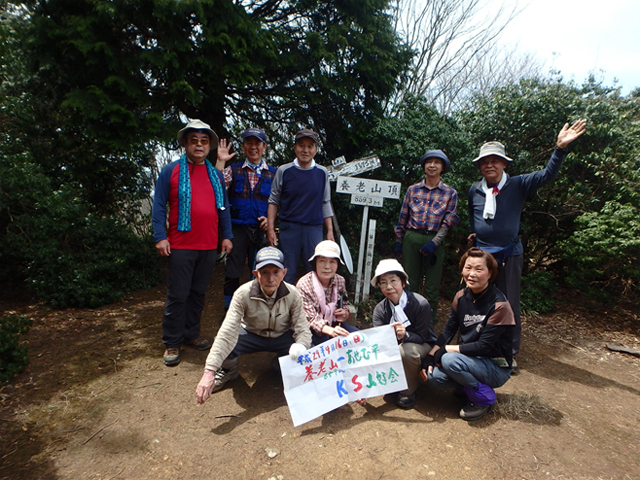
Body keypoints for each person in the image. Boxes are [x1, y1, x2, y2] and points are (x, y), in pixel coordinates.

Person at [468, 120, 586, 356]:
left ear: (503, 163)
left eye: (494, 160)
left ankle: (507, 352)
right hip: (482, 254)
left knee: (508, 302)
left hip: (509, 253)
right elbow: (473, 213)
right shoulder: (475, 189)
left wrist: (559, 149)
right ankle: (477, 345)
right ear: (480, 166)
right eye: (485, 162)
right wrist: (474, 231)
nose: (489, 165)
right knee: (478, 300)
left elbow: (547, 174)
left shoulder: (518, 184)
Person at [152, 119, 233, 367]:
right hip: (180, 244)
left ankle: (191, 334)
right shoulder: (171, 171)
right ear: (186, 144)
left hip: (208, 245)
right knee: (178, 295)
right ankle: (172, 342)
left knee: (198, 293)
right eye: (194, 141)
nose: (199, 145)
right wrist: (159, 236)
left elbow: (223, 209)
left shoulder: (215, 175)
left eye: (204, 141)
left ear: (209, 146)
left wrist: (227, 235)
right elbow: (158, 205)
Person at [195, 247, 312, 404]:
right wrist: (209, 371)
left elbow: (302, 328)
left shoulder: (293, 294)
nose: (270, 278)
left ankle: (281, 364)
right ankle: (229, 370)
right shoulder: (242, 294)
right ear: (256, 274)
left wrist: (301, 346)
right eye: (265, 272)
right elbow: (227, 331)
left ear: (284, 273)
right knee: (223, 340)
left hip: (282, 336)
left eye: (275, 272)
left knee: (309, 347)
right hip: (251, 334)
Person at [421, 248, 515, 421]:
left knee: (449, 359)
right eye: (468, 267)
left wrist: (446, 350)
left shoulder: (499, 305)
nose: (471, 274)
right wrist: (431, 354)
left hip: (494, 366)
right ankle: (467, 385)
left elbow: (484, 346)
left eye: (479, 269)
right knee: (434, 376)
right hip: (468, 359)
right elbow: (449, 330)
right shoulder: (461, 296)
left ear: (490, 273)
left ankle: (483, 398)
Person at [215, 128, 277, 309]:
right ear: (243, 146)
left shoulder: (274, 174)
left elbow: (282, 202)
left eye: (257, 143)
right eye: (249, 143)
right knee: (232, 272)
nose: (253, 147)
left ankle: (258, 311)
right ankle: (230, 311)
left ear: (264, 147)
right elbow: (214, 187)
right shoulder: (233, 170)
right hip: (237, 230)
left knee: (261, 272)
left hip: (261, 232)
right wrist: (220, 161)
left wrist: (271, 220)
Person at [394, 149, 459, 318]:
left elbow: (448, 222)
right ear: (423, 166)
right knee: (409, 281)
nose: (432, 165)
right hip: (412, 236)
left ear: (443, 167)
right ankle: (406, 318)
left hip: (434, 239)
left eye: (437, 162)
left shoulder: (450, 193)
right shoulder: (413, 190)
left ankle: (428, 322)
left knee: (431, 284)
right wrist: (399, 241)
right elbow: (403, 217)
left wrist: (434, 243)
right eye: (429, 162)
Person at [267, 129, 334, 284]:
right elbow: (274, 200)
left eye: (310, 146)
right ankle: (285, 306)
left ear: (315, 150)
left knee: (314, 271)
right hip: (289, 228)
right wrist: (271, 228)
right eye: (301, 145)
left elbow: (325, 201)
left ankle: (312, 307)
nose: (305, 150)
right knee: (286, 270)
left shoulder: (322, 173)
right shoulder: (284, 171)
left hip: (314, 229)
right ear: (295, 147)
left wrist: (329, 231)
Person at [370, 259, 437, 409]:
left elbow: (422, 336)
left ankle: (409, 390)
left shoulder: (420, 303)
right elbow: (379, 341)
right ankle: (394, 381)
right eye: (383, 282)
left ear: (403, 282)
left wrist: (405, 335)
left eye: (393, 281)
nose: (389, 287)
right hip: (396, 346)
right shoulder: (380, 310)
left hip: (424, 345)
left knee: (406, 351)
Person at [296, 240, 358, 346]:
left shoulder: (340, 280)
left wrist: (345, 313)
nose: (327, 267)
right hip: (310, 330)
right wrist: (329, 330)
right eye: (322, 261)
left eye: (332, 262)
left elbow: (344, 303)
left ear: (338, 264)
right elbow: (310, 318)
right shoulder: (304, 284)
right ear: (315, 263)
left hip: (334, 326)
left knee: (360, 337)